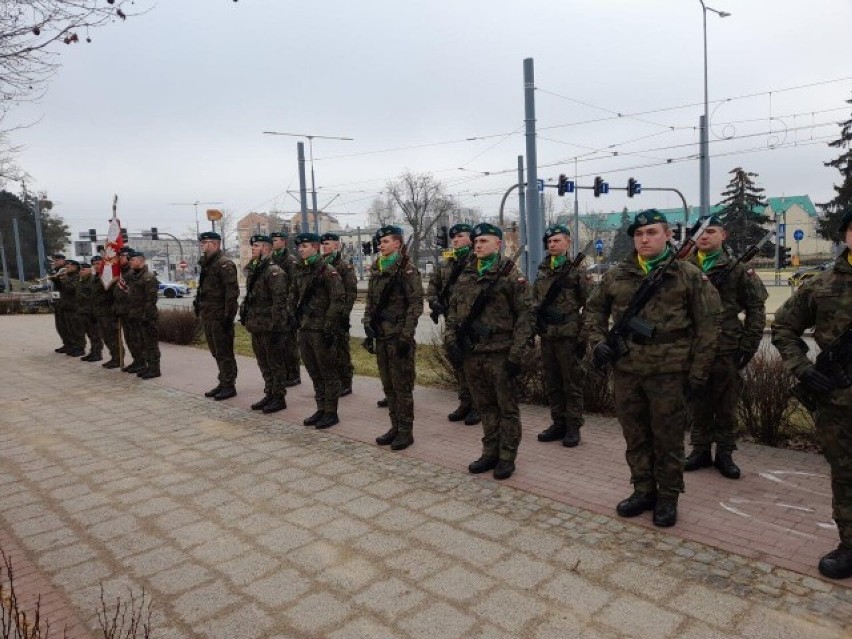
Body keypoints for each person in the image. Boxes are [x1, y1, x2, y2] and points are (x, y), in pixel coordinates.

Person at [582, 210, 719, 526]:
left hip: (670, 374)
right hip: (627, 371)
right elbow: (593, 311)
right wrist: (597, 341)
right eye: (639, 233)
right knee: (636, 437)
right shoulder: (617, 275)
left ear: (668, 235)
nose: (644, 239)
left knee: (668, 440)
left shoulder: (688, 275)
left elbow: (709, 328)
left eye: (652, 232)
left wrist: (697, 374)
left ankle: (668, 499)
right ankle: (643, 490)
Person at [772, 209, 852, 580]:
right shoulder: (821, 285)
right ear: (845, 235)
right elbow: (784, 329)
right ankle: (850, 545)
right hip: (839, 400)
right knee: (846, 474)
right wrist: (803, 369)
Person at [445, 223, 532, 480]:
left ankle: (507, 456)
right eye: (476, 241)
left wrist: (516, 355)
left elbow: (525, 318)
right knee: (485, 407)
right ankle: (489, 451)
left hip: (500, 353)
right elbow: (453, 311)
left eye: (484, 240)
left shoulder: (510, 276)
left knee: (506, 408)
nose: (478, 245)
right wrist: (452, 341)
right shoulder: (466, 274)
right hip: (472, 352)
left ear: (498, 244)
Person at [684, 215, 767, 479]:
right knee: (697, 402)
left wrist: (749, 345)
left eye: (710, 231)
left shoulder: (738, 269)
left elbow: (756, 309)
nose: (704, 236)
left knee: (726, 404)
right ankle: (699, 450)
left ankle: (725, 454)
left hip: (726, 346)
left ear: (724, 235)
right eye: (700, 233)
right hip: (693, 347)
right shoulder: (682, 267)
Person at [364, 226, 423, 450]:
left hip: (399, 338)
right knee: (388, 387)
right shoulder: (378, 269)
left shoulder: (407, 270)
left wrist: (406, 336)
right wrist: (368, 327)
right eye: (380, 242)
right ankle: (395, 426)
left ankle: (406, 432)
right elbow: (370, 302)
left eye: (386, 241)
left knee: (402, 387)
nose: (381, 245)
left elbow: (416, 305)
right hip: (381, 336)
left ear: (397, 243)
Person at [532, 224, 591, 447]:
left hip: (569, 336)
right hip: (548, 335)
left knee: (572, 383)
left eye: (557, 241)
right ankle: (558, 423)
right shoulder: (542, 270)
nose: (552, 245)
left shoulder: (577, 271)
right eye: (549, 242)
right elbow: (535, 302)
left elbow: (591, 306)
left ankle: (573, 427)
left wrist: (582, 337)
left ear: (568, 242)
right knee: (552, 382)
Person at [289, 233, 346, 429]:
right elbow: (293, 295)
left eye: (305, 246)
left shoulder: (326, 271)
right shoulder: (300, 270)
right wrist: (292, 317)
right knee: (314, 372)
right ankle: (321, 408)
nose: (300, 249)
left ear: (315, 248)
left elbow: (337, 300)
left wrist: (328, 326)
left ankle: (331, 412)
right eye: (299, 247)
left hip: (321, 330)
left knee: (327, 372)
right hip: (304, 328)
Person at [426, 223, 480, 426]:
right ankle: (465, 402)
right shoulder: (447, 263)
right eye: (453, 237)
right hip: (451, 319)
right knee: (458, 362)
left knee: (473, 365)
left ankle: (477, 406)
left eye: (460, 236)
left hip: (471, 321)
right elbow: (432, 286)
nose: (455, 240)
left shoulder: (476, 262)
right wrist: (434, 301)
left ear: (471, 239)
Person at [241, 235, 288, 414]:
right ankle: (269, 393)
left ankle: (279, 397)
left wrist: (277, 326)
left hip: (271, 326)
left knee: (275, 363)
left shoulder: (274, 271)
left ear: (267, 249)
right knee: (263, 362)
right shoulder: (255, 269)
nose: (253, 248)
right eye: (252, 245)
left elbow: (279, 302)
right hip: (257, 324)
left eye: (257, 245)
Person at [196, 231, 239, 400]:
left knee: (224, 352)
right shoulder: (207, 264)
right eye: (202, 243)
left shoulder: (224, 264)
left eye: (205, 243)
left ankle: (229, 385)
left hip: (220, 317)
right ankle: (223, 381)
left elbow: (231, 294)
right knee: (216, 352)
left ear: (215, 244)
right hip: (209, 315)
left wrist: (228, 318)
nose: (203, 246)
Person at [321, 232, 358, 396]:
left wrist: (344, 315)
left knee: (341, 350)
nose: (325, 246)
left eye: (328, 243)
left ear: (337, 245)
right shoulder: (321, 265)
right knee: (327, 351)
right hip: (324, 315)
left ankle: (346, 382)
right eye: (323, 244)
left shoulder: (343, 266)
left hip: (339, 316)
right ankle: (333, 381)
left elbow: (350, 293)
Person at [270, 230, 302, 387]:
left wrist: (290, 307)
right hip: (275, 306)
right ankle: (284, 372)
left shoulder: (290, 260)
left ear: (283, 242)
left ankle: (294, 374)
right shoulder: (270, 259)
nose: (273, 243)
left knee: (289, 343)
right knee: (278, 343)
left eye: (275, 240)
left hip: (287, 306)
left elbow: (294, 285)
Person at [126, 251, 161, 379]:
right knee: (142, 343)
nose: (130, 262)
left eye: (133, 260)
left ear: (141, 261)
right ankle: (147, 367)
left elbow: (151, 300)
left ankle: (155, 369)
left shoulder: (148, 277)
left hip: (147, 317)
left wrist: (147, 316)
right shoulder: (133, 276)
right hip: (136, 316)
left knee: (151, 344)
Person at [112, 247, 142, 372]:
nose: (119, 259)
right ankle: (136, 361)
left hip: (131, 312)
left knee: (135, 338)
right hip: (123, 311)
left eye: (122, 256)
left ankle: (140, 361)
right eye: (119, 256)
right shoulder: (123, 272)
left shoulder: (131, 273)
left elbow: (133, 294)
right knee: (130, 339)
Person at [91, 256, 122, 368]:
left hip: (109, 313)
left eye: (98, 263)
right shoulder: (95, 278)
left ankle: (118, 359)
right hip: (99, 312)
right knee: (106, 337)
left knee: (112, 337)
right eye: (94, 264)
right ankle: (114, 357)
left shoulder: (108, 277)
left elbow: (113, 294)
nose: (96, 265)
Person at [75, 261, 104, 362]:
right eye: (80, 270)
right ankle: (93, 352)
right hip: (84, 311)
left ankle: (97, 353)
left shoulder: (92, 280)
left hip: (92, 312)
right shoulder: (81, 281)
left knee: (95, 334)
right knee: (90, 334)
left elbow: (93, 296)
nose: (81, 272)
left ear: (89, 270)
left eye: (83, 269)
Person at [56, 259, 85, 357]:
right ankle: (72, 346)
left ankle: (80, 348)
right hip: (67, 306)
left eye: (68, 267)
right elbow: (62, 288)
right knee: (68, 329)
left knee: (77, 329)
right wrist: (56, 281)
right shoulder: (69, 277)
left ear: (75, 267)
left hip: (74, 307)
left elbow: (71, 289)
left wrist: (63, 279)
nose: (66, 268)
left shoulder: (77, 277)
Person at [48, 254, 71, 353]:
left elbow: (64, 286)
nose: (55, 262)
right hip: (57, 301)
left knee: (66, 325)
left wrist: (56, 279)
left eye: (57, 260)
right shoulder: (55, 271)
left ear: (63, 260)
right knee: (60, 326)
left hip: (64, 301)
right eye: (54, 260)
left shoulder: (64, 271)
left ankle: (71, 344)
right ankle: (66, 344)